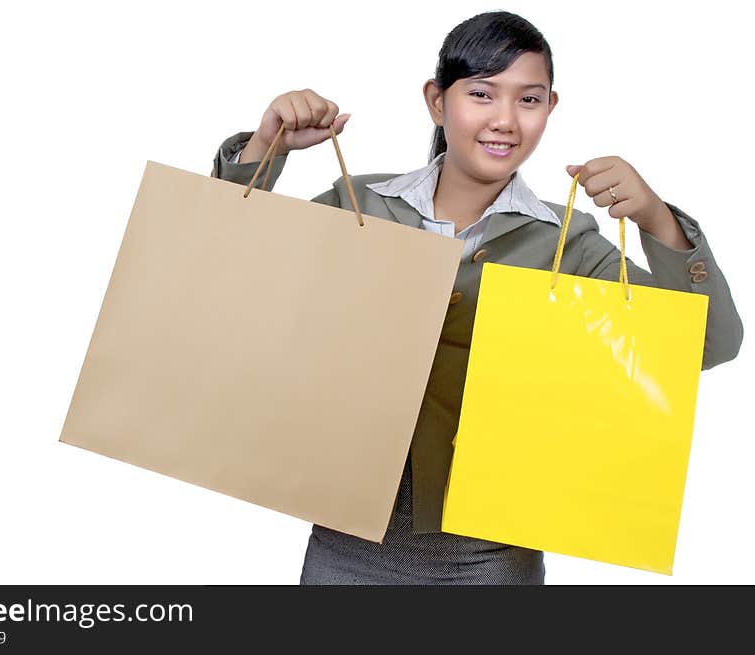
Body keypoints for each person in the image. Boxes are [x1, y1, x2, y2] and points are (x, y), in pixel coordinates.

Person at [209, 11, 744, 584]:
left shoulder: (570, 244)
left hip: (492, 566)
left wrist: (659, 223)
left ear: (551, 108)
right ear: (437, 101)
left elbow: (705, 346)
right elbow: (222, 276)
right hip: (345, 555)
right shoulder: (357, 206)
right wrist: (266, 147)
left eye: (529, 100)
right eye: (482, 94)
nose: (506, 121)